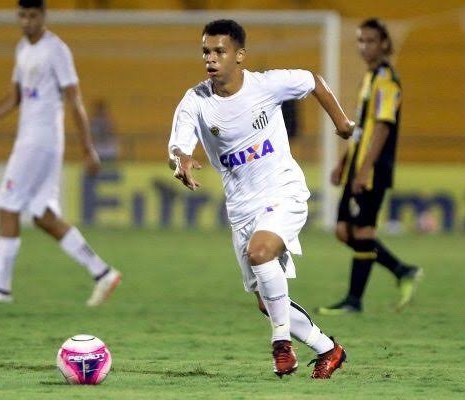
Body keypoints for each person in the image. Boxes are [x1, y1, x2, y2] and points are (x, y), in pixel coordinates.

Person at [168, 19, 354, 379]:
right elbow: (178, 141)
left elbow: (313, 80)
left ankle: (281, 345)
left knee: (260, 252)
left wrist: (342, 122)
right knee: (266, 302)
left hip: (284, 191)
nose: (211, 58)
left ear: (239, 55)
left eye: (219, 51)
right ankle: (329, 349)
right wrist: (182, 159)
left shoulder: (267, 85)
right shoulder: (196, 100)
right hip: (242, 208)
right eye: (206, 51)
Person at [0, 0, 121, 306]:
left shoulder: (55, 49)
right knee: (43, 216)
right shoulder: (23, 48)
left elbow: (74, 99)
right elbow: (15, 96)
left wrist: (88, 148)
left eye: (33, 15)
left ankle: (1, 289)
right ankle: (102, 272)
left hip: (40, 140)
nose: (27, 21)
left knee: (7, 206)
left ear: (43, 16)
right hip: (34, 140)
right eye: (23, 15)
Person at [315, 18, 422, 316]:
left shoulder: (387, 80)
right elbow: (363, 128)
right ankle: (401, 270)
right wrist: (344, 162)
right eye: (361, 40)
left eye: (371, 40)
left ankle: (354, 300)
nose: (364, 46)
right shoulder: (370, 77)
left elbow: (383, 128)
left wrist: (364, 170)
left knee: (363, 232)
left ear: (385, 43)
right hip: (357, 167)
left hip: (373, 170)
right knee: (342, 231)